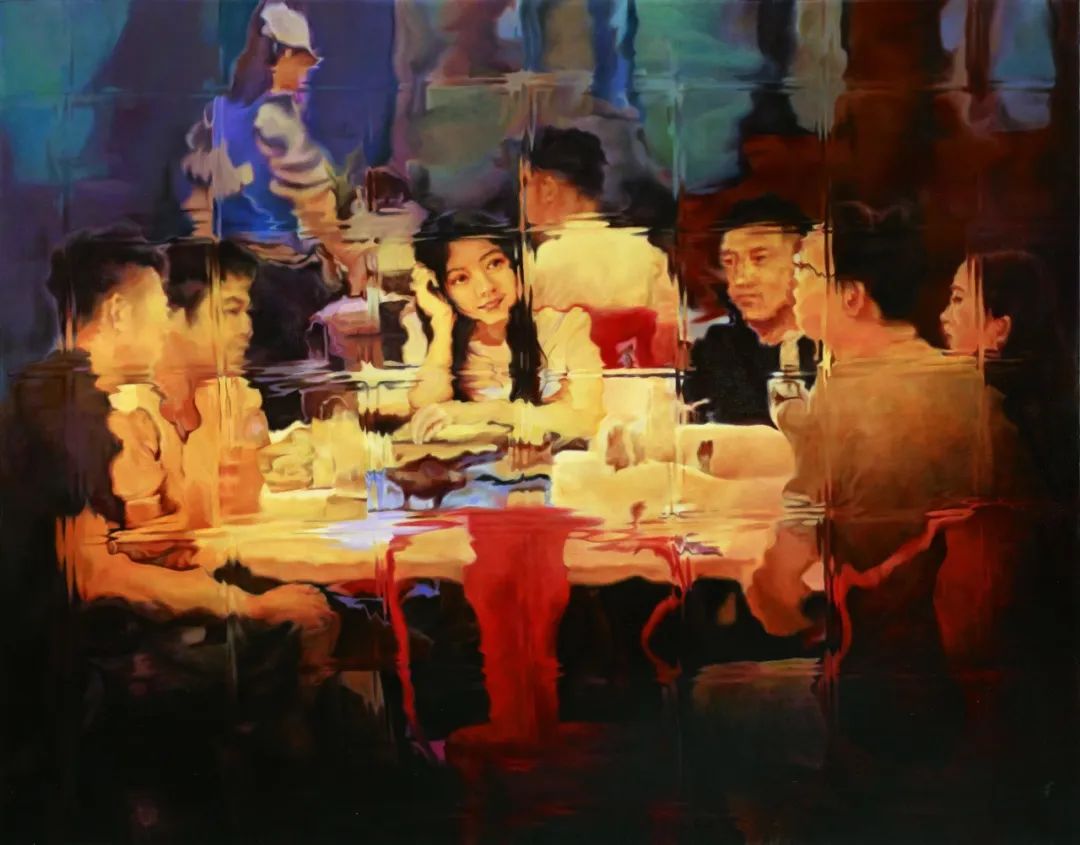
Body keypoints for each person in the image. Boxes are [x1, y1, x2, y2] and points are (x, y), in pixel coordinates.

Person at [748, 202, 1028, 756]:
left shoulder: (844, 397)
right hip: (982, 681)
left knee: (714, 700)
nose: (792, 283)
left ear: (852, 297)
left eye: (803, 270)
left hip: (879, 686)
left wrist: (766, 594)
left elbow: (779, 590)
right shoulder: (970, 388)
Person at [407, 211, 604, 445]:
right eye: (460, 278)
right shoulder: (435, 338)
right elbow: (425, 413)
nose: (486, 287)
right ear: (441, 290)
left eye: (494, 264)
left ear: (515, 263)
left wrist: (492, 411)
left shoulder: (564, 328)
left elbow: (587, 420)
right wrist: (441, 324)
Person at [523, 126, 680, 368]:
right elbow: (669, 342)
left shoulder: (542, 261)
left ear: (548, 188)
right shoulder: (646, 253)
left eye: (525, 183)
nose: (522, 197)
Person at [940, 250, 1077, 501]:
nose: (944, 316)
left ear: (1000, 328)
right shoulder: (1044, 399)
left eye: (958, 299)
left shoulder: (994, 411)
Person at [683, 194, 818, 425]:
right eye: (729, 262)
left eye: (759, 259)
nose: (741, 279)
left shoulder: (834, 351)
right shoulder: (715, 351)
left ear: (803, 262)